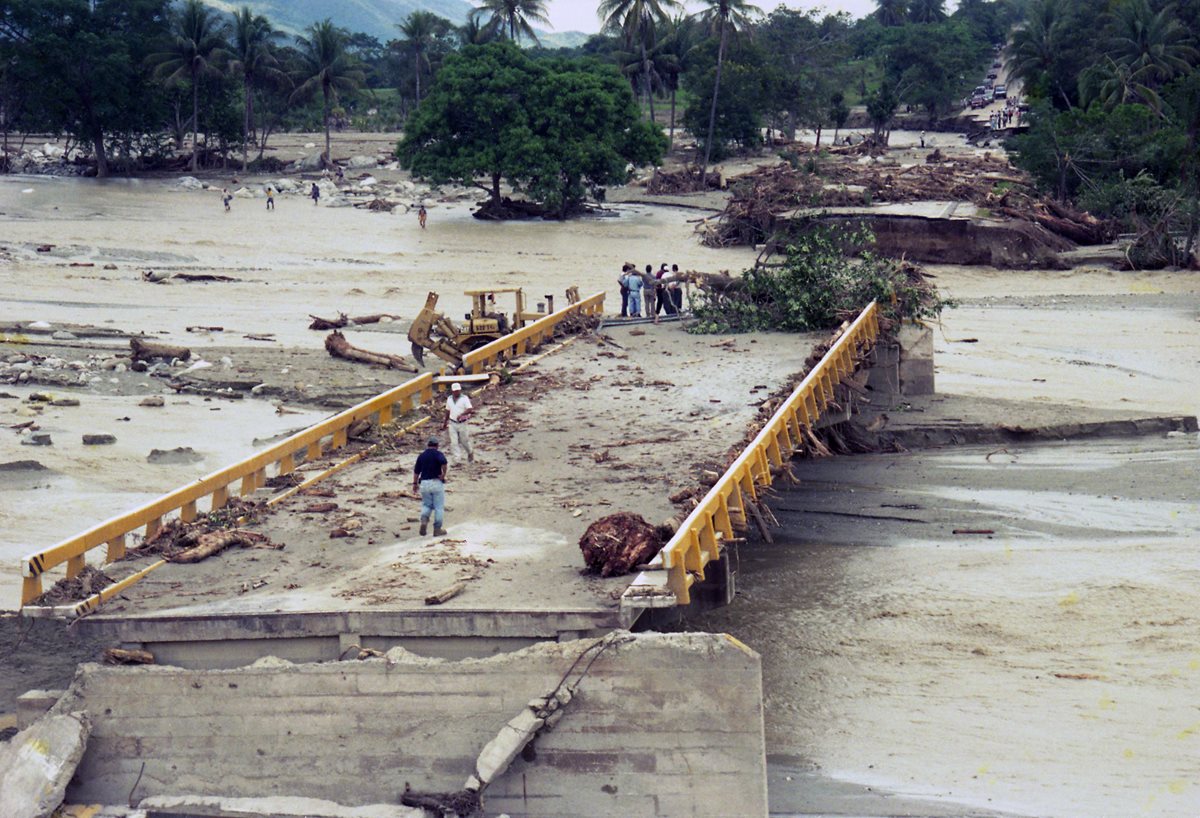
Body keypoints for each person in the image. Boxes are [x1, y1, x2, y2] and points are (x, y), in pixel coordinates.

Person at [412, 436, 448, 537]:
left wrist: (414, 484)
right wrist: (443, 474)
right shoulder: (438, 454)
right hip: (436, 482)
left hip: (424, 483)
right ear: (437, 446)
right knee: (438, 507)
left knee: (426, 505)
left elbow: (416, 471)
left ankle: (424, 520)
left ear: (427, 445)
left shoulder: (421, 456)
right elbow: (444, 462)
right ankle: (437, 529)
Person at [443, 382, 475, 463]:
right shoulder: (449, 399)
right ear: (452, 391)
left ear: (460, 390)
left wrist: (462, 414)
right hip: (452, 423)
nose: (456, 392)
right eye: (455, 391)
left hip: (462, 423)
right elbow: (447, 411)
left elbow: (470, 409)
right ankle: (457, 460)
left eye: (458, 391)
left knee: (464, 441)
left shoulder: (464, 398)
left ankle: (470, 452)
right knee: (454, 442)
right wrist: (445, 422)